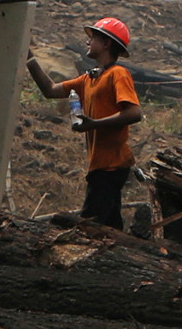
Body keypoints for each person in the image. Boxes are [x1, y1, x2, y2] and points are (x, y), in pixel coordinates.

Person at [31, 15, 143, 228]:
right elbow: (50, 90)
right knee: (109, 226)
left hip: (111, 166)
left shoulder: (118, 74)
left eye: (93, 38)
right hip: (101, 166)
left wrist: (94, 124)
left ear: (107, 43)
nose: (87, 42)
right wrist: (27, 58)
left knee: (89, 226)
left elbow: (134, 113)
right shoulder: (88, 79)